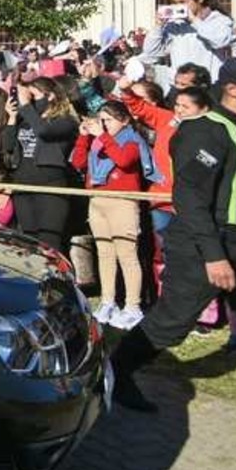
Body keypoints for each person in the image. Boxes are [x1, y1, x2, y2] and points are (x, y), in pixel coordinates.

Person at [109, 59, 236, 446]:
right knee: (171, 324)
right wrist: (214, 257)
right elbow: (190, 199)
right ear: (235, 88)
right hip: (202, 248)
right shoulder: (202, 131)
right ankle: (114, 373)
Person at [71, 102, 153, 328]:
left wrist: (103, 137)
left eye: (109, 120)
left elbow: (124, 161)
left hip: (122, 202)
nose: (104, 125)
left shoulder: (133, 140)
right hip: (97, 201)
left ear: (125, 120)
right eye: (102, 120)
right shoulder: (98, 141)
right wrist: (84, 139)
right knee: (105, 254)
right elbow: (78, 163)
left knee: (127, 254)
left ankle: (133, 305)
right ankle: (108, 301)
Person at [8, 77, 79, 253]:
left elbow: (44, 132)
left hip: (49, 186)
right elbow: (8, 146)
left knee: (49, 242)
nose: (30, 101)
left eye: (34, 95)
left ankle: (56, 279)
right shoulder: (27, 118)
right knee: (28, 240)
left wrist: (26, 106)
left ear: (51, 96)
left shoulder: (66, 121)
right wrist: (11, 118)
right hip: (23, 185)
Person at [140, 0, 235, 85]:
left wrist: (194, 20)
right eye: (175, 3)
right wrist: (158, 27)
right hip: (180, 85)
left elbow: (219, 41)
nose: (179, 7)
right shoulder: (176, 25)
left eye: (183, 2)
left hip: (207, 85)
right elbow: (151, 52)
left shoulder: (220, 20)